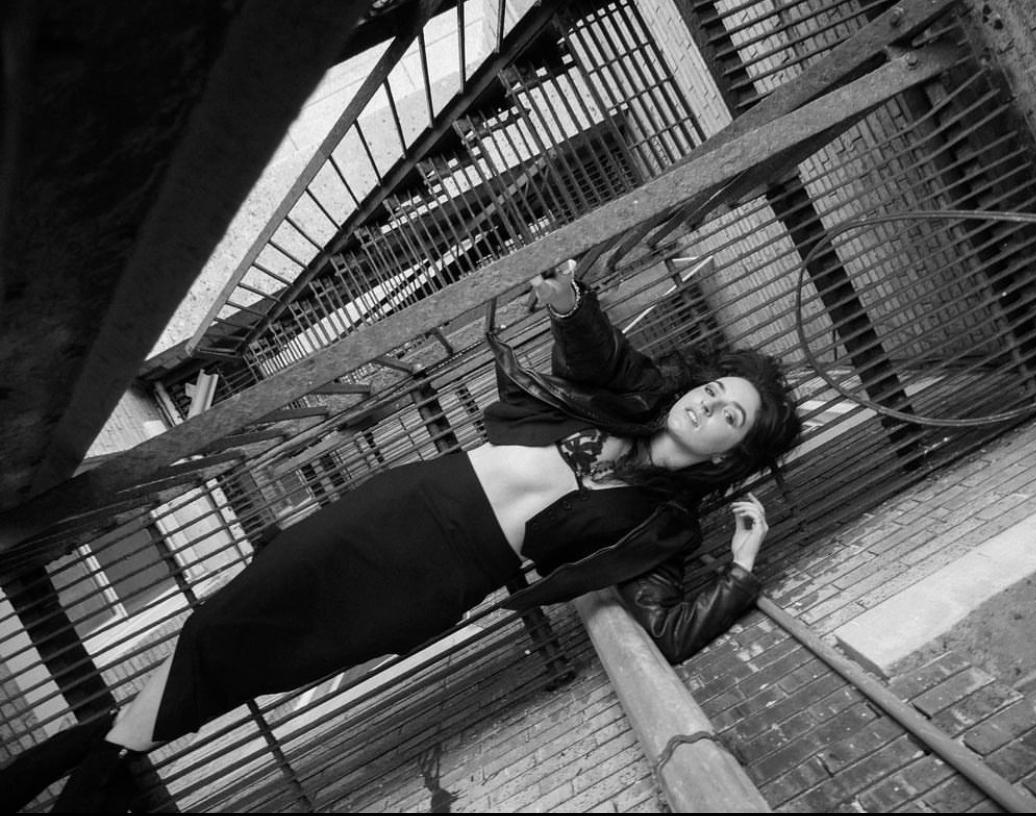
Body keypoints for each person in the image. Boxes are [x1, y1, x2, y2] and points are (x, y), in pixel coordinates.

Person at [0, 264, 801, 812]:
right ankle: (79, 773)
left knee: (235, 679)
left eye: (729, 415)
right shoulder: (628, 398)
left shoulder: (663, 526)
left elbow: (666, 631)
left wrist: (739, 568)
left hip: (427, 585)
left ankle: (58, 772)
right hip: (390, 514)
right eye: (712, 390)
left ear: (729, 453)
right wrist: (569, 304)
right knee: (213, 633)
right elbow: (601, 350)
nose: (707, 404)